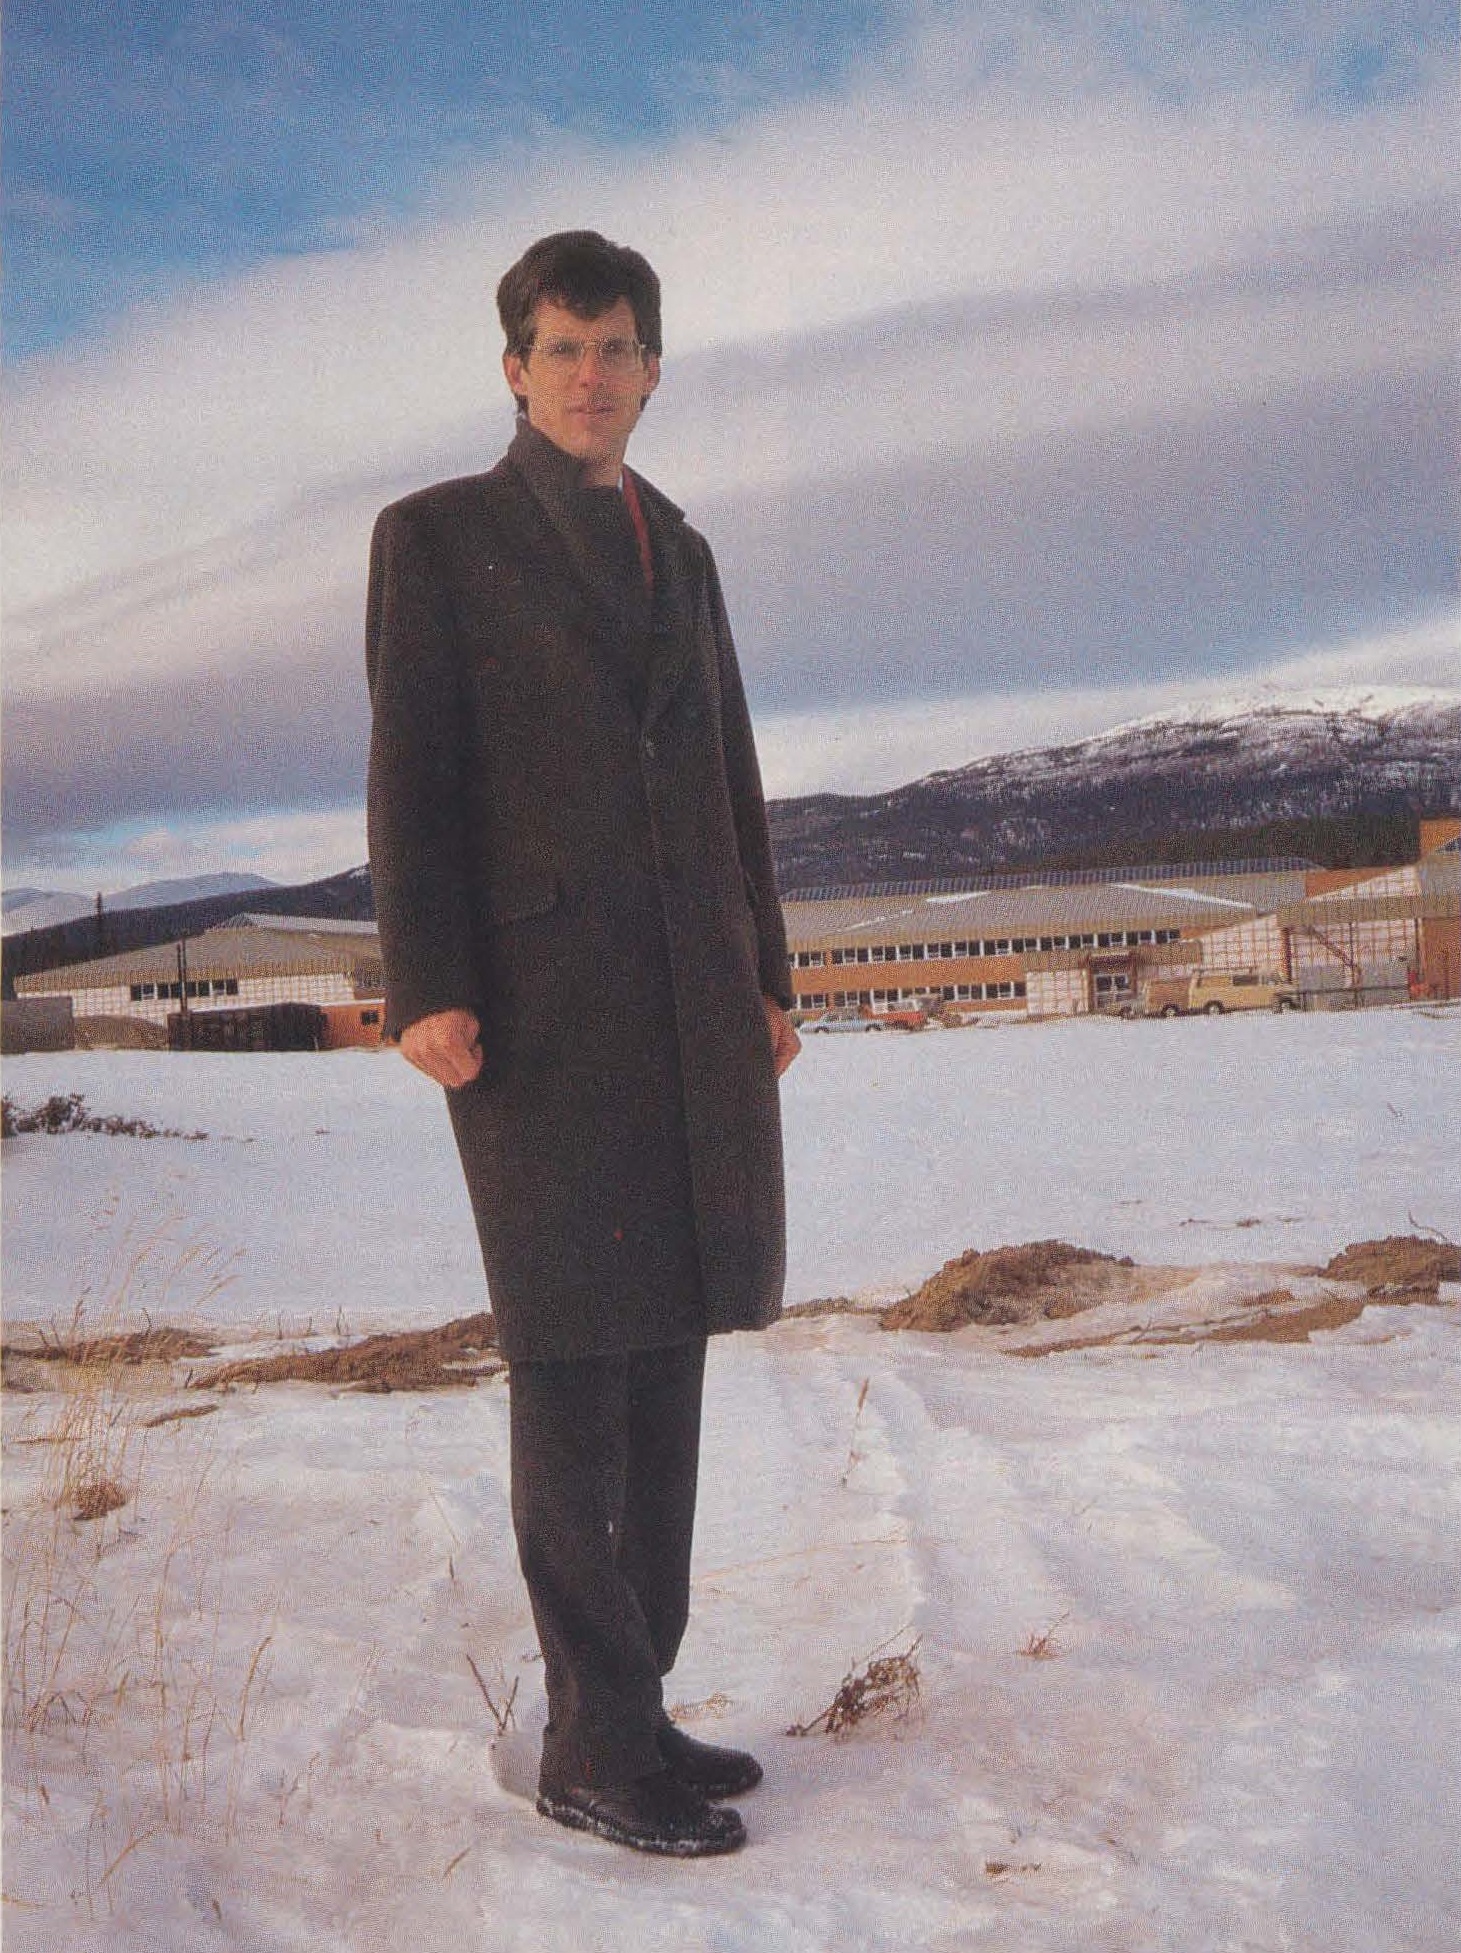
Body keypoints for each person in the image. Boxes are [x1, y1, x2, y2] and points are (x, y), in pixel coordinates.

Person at [365, 230, 800, 1857]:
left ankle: (638, 1703)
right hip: (536, 1016)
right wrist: (424, 981)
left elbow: (730, 776)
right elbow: (410, 771)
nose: (592, 376)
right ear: (513, 369)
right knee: (568, 1357)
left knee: (667, 1341)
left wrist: (766, 972)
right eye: (561, 348)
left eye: (618, 349)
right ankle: (585, 1742)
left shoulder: (675, 546)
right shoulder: (437, 536)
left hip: (690, 1005)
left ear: (652, 367)